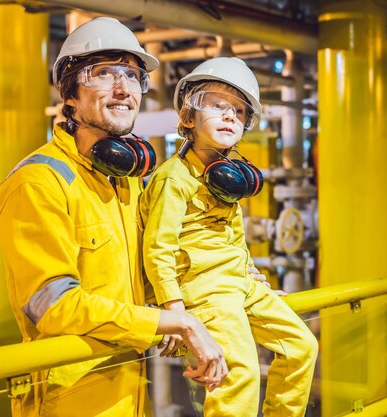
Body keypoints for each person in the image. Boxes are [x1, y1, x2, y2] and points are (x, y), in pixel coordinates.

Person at [0, 17, 227, 417]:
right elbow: (53, 306)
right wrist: (176, 325)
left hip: (131, 385)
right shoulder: (39, 181)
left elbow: (149, 271)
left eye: (133, 76)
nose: (124, 89)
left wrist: (237, 287)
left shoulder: (126, 182)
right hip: (69, 398)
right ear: (70, 94)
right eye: (104, 74)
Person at [140, 57, 319, 417]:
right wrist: (175, 312)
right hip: (205, 291)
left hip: (238, 284)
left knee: (301, 347)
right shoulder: (173, 179)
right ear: (188, 118)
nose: (229, 117)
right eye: (218, 106)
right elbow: (158, 249)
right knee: (239, 375)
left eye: (239, 112)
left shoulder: (224, 178)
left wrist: (255, 279)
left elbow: (235, 239)